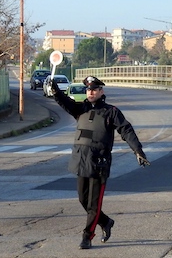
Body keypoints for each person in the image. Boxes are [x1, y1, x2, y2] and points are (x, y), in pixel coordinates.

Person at [50, 76, 150, 250]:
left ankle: (87, 236)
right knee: (83, 200)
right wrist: (55, 91)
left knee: (93, 205)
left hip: (99, 164)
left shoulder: (111, 111)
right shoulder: (80, 109)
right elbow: (65, 102)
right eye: (88, 89)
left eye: (94, 89)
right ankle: (106, 222)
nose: (91, 92)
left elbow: (126, 130)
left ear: (101, 91)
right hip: (81, 161)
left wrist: (138, 150)